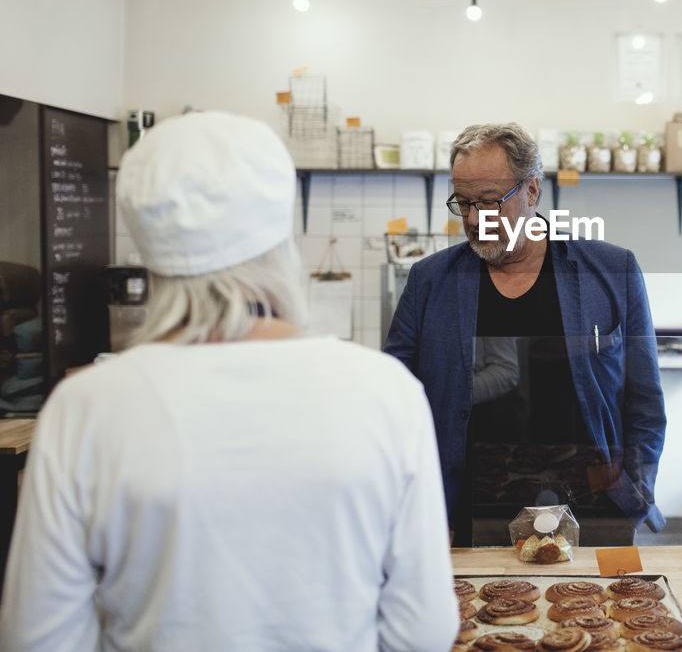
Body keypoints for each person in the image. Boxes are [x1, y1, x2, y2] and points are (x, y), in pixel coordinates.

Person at [0, 112, 455, 652]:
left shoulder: (84, 407)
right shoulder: (385, 392)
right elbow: (422, 630)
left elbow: (38, 638)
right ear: (280, 235)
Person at [384, 123, 665, 546]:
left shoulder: (610, 272)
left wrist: (634, 492)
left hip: (593, 510)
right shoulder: (430, 282)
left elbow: (644, 403)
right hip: (466, 515)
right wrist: (419, 508)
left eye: (489, 202)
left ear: (531, 191)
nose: (475, 219)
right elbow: (395, 403)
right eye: (463, 203)